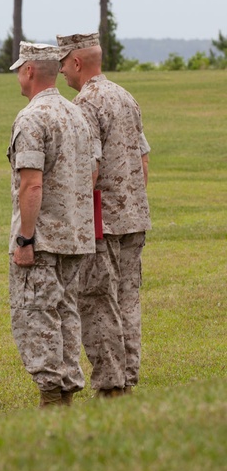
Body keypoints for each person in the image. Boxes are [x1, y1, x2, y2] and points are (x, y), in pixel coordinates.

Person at [59, 31, 151, 397]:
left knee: (97, 301)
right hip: (134, 216)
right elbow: (143, 162)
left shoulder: (85, 104)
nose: (63, 72)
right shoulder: (125, 96)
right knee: (128, 300)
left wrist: (79, 217)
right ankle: (127, 377)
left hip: (103, 223)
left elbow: (90, 168)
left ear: (76, 63)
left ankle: (111, 385)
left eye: (64, 64)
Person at [7, 42, 96, 408]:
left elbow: (32, 183)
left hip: (42, 239)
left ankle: (51, 395)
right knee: (66, 312)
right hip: (75, 235)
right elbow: (90, 173)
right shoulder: (76, 115)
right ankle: (67, 390)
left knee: (35, 314)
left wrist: (25, 238)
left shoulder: (32, 117)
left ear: (29, 70)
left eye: (19, 69)